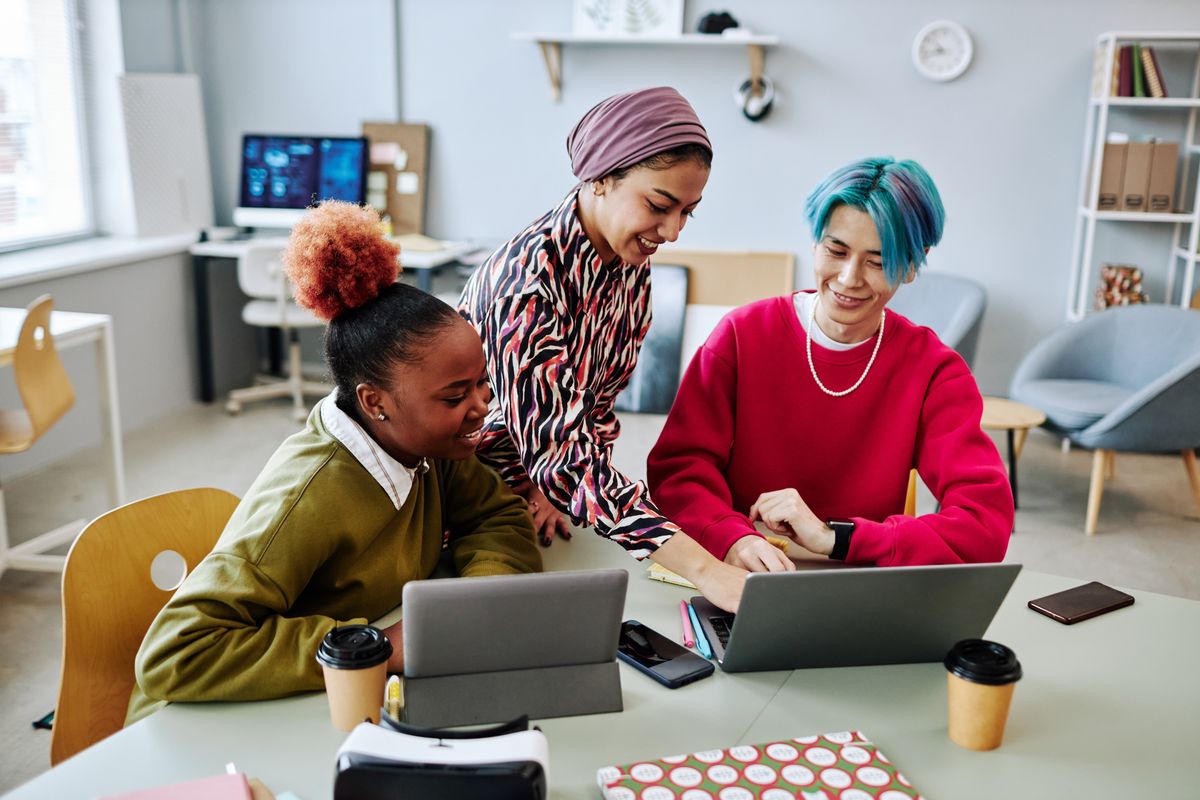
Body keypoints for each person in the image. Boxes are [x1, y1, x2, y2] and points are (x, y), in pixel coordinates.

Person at [130, 201, 541, 722]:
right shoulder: (310, 495)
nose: (481, 406)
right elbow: (175, 653)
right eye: (455, 394)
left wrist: (471, 606)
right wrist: (382, 646)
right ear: (375, 402)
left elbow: (495, 516)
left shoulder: (432, 445)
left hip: (334, 695)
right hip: (202, 726)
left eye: (482, 383)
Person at [647, 157, 1013, 571]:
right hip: (737, 571)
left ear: (913, 264)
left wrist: (834, 537)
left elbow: (984, 525)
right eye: (835, 250)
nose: (848, 278)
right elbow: (678, 473)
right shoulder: (741, 336)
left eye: (877, 261)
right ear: (815, 244)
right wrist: (731, 538)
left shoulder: (933, 371)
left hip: (853, 583)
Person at [459, 86, 748, 611]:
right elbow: (563, 457)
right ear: (598, 178)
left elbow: (593, 410)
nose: (673, 231)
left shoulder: (628, 270)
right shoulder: (524, 286)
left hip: (535, 495)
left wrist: (547, 490)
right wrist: (706, 570)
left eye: (689, 212)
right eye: (660, 205)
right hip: (459, 498)